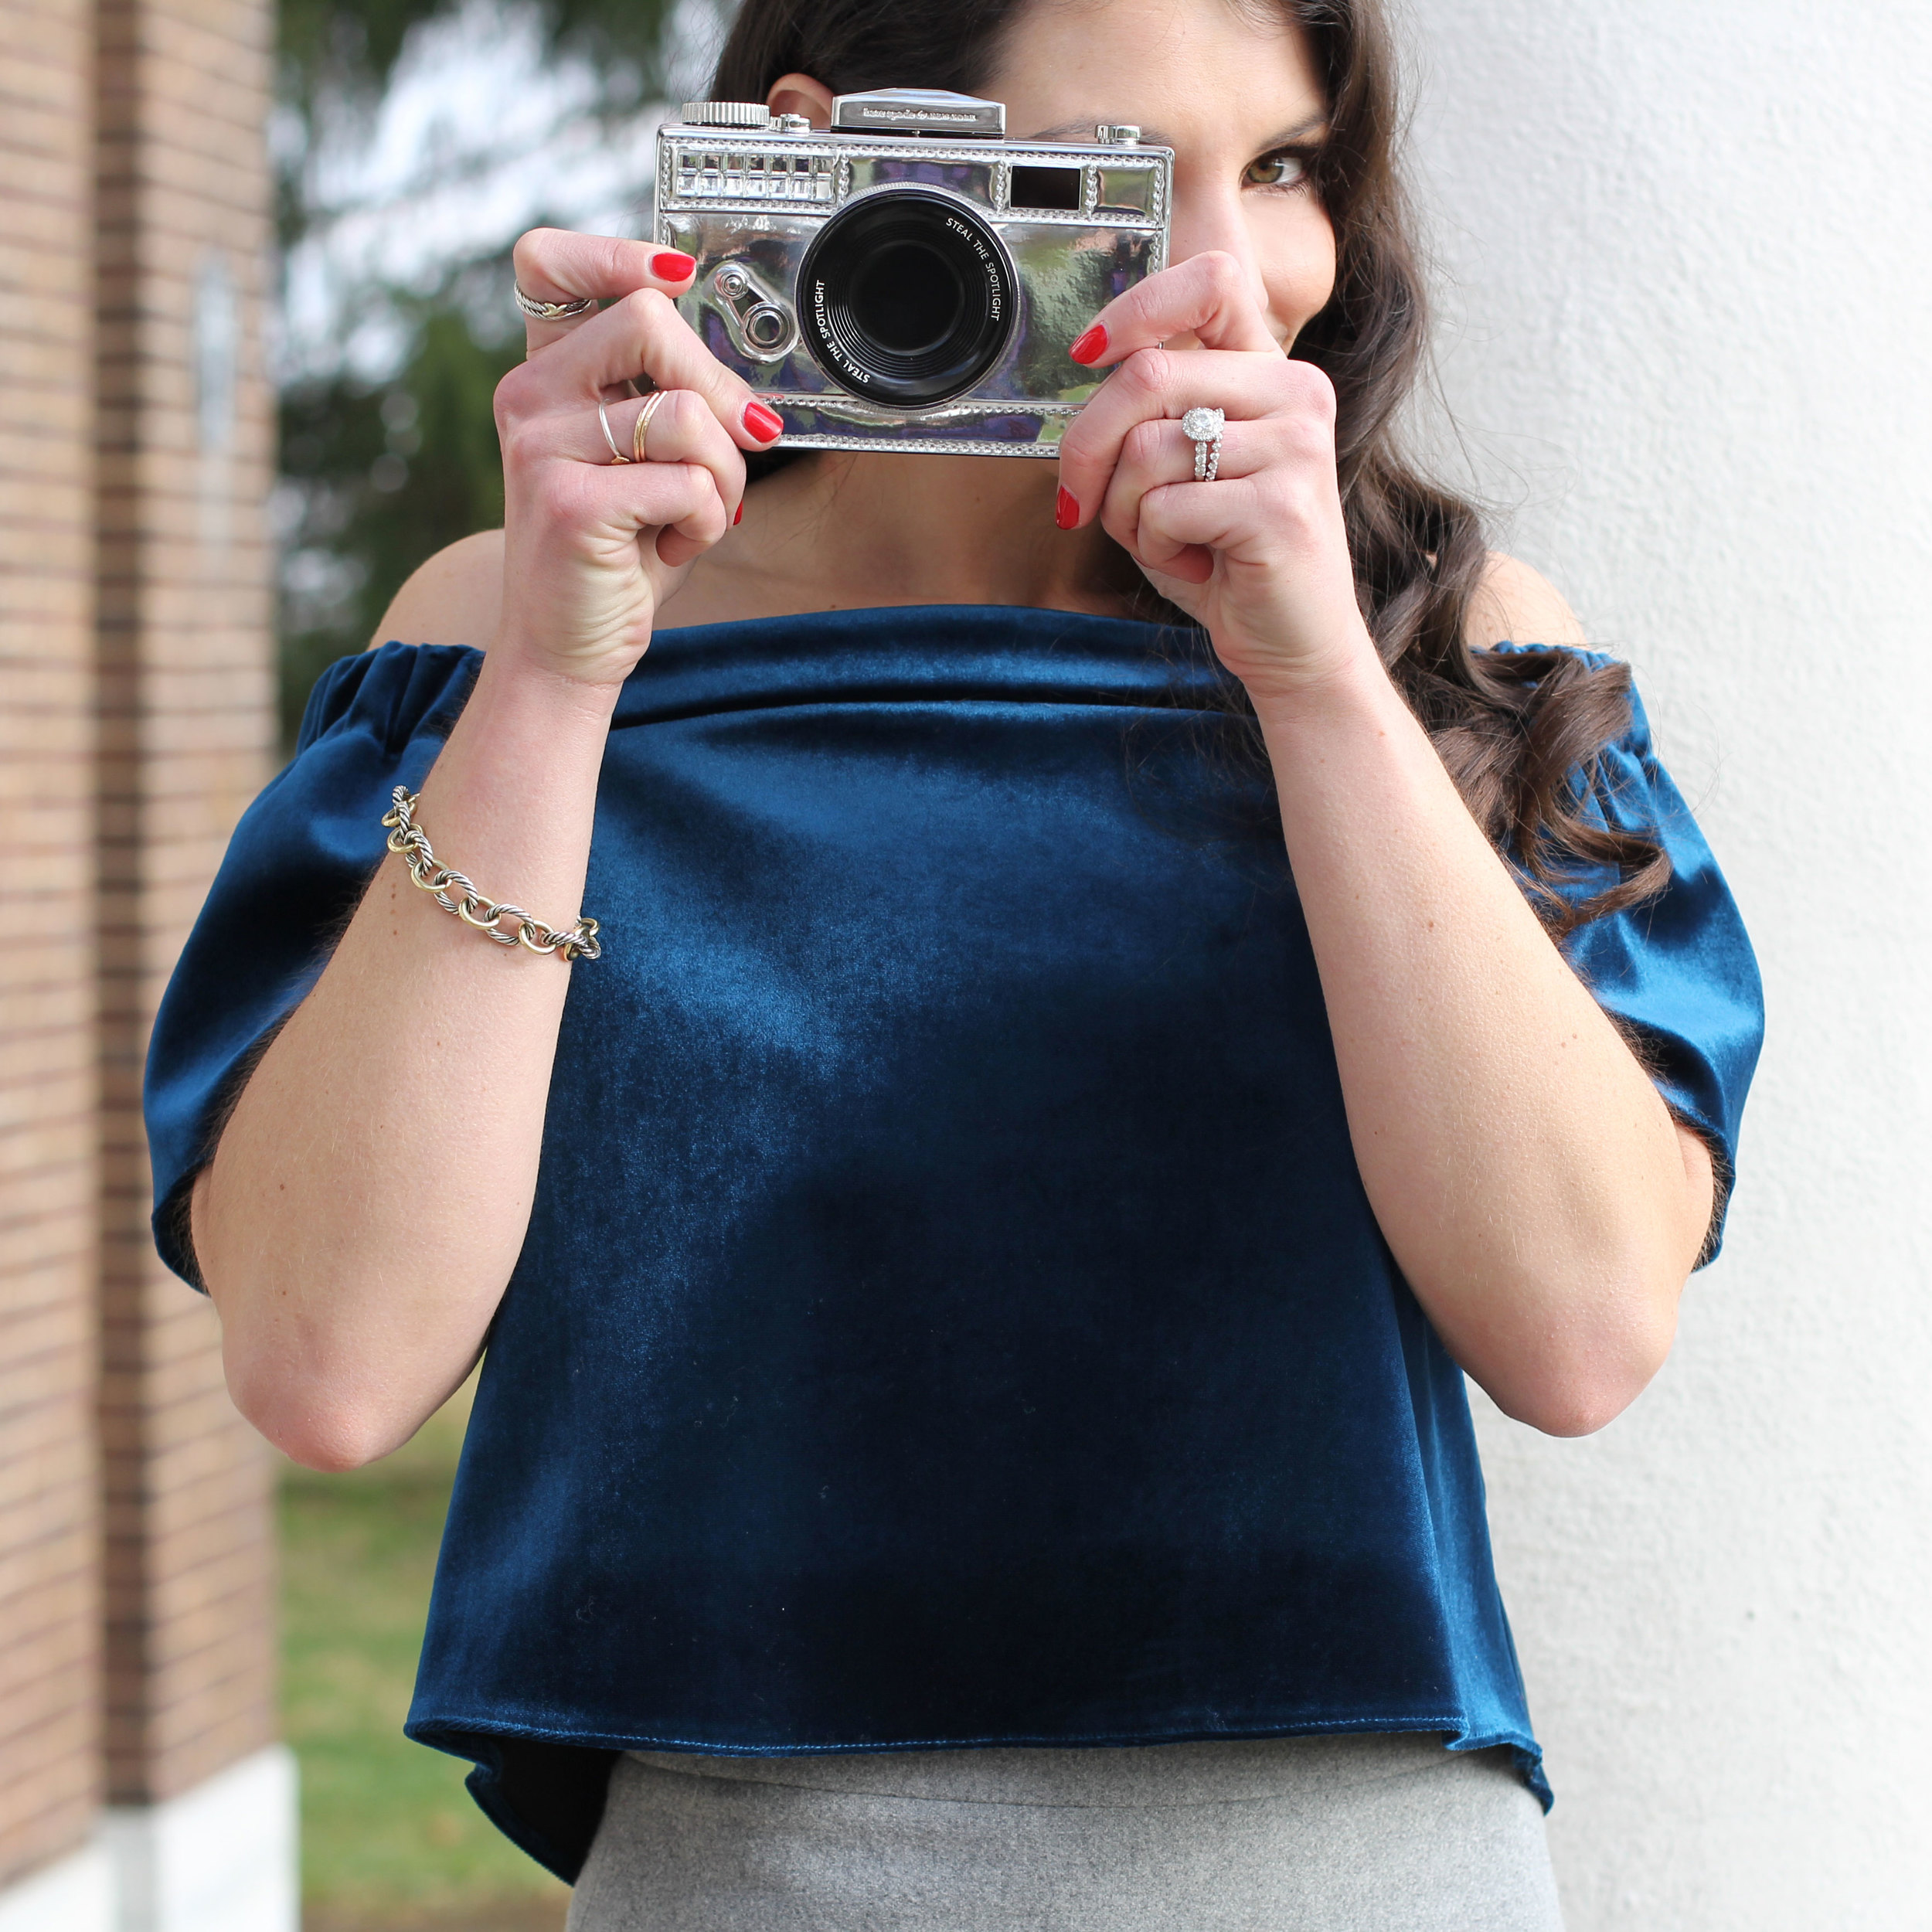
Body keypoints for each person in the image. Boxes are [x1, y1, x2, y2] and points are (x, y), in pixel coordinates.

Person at [143, 0, 1764, 1923]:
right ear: (834, 151)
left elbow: (1580, 1329)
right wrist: (564, 672)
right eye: (1118, 176)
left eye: (1284, 168)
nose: (1235, 281)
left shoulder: (1434, 643)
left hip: (1340, 1868)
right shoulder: (512, 634)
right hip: (742, 1873)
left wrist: (1314, 670)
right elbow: (329, 1360)